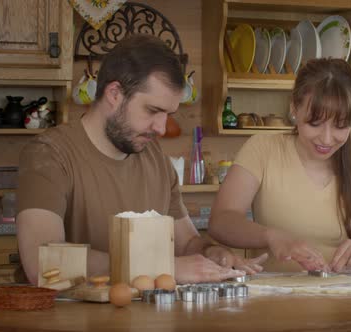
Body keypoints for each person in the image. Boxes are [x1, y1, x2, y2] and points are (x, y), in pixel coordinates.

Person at [16, 34, 266, 285]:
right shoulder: (49, 154)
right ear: (114, 93)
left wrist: (212, 253)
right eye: (153, 110)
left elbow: (187, 242)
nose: (160, 128)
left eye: (168, 114)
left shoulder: (155, 158)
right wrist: (162, 269)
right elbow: (43, 262)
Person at [208, 58, 351, 272]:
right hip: (275, 299)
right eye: (314, 123)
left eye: (340, 125)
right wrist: (270, 236)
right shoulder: (262, 149)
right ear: (294, 109)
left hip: (346, 298)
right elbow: (221, 221)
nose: (326, 139)